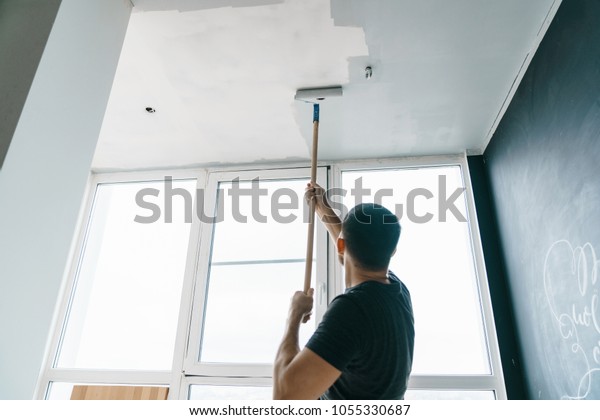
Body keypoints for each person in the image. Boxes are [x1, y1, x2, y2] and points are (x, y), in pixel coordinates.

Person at [273, 182, 415, 400]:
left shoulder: (352, 310)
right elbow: (354, 252)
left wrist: (294, 315)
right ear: (393, 250)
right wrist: (323, 209)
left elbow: (285, 397)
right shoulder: (397, 291)